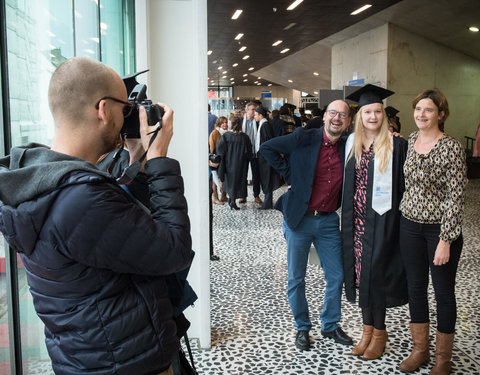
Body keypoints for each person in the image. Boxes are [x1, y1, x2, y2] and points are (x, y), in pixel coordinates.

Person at [0, 57, 193, 375]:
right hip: (127, 364)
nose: (126, 116)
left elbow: (123, 229)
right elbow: (173, 251)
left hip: (91, 357)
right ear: (104, 109)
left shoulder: (40, 179)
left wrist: (137, 160)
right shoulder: (80, 198)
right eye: (125, 108)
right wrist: (159, 159)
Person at [260, 99, 354, 351]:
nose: (337, 118)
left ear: (348, 121)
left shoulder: (348, 146)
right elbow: (267, 148)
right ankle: (302, 327)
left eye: (342, 115)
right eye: (332, 113)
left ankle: (330, 324)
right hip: (299, 220)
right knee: (296, 278)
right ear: (324, 117)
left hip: (327, 221)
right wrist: (291, 175)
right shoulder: (304, 137)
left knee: (337, 275)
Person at [398, 89, 467, 374]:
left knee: (443, 293)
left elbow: (456, 196)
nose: (421, 114)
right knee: (415, 289)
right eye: (418, 109)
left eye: (428, 110)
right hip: (409, 226)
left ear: (441, 114)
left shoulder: (451, 147)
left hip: (440, 231)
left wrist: (445, 240)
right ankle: (420, 350)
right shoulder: (411, 140)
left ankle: (443, 359)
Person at [341, 84, 408, 360]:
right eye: (367, 111)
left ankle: (379, 333)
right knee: (360, 277)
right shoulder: (351, 142)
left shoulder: (397, 145)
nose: (373, 116)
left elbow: (404, 186)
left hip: (382, 224)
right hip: (355, 224)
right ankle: (366, 331)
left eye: (377, 111)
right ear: (360, 115)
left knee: (376, 277)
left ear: (384, 114)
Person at [217, 117, 252, 210]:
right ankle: (232, 201)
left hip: (229, 164)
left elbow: (220, 150)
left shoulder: (226, 136)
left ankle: (231, 199)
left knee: (231, 182)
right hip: (241, 164)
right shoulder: (244, 137)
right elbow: (249, 152)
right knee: (238, 182)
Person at [253, 106, 282, 209]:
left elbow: (267, 143)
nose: (254, 116)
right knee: (265, 178)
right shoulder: (263, 124)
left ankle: (268, 202)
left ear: (261, 115)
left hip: (265, 158)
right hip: (262, 157)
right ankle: (267, 201)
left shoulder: (265, 125)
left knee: (267, 179)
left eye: (256, 115)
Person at [240, 101, 263, 204]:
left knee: (256, 175)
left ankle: (256, 195)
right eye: (253, 109)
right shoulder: (241, 122)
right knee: (243, 174)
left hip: (254, 152)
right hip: (243, 153)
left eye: (255, 110)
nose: (254, 112)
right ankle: (242, 196)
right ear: (247, 110)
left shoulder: (258, 122)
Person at [209, 116, 228, 205]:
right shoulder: (215, 133)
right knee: (214, 178)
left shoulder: (226, 133)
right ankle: (215, 197)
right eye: (223, 122)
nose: (225, 124)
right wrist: (212, 159)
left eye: (226, 122)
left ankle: (223, 196)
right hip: (216, 159)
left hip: (224, 159)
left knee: (224, 178)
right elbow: (212, 148)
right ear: (219, 124)